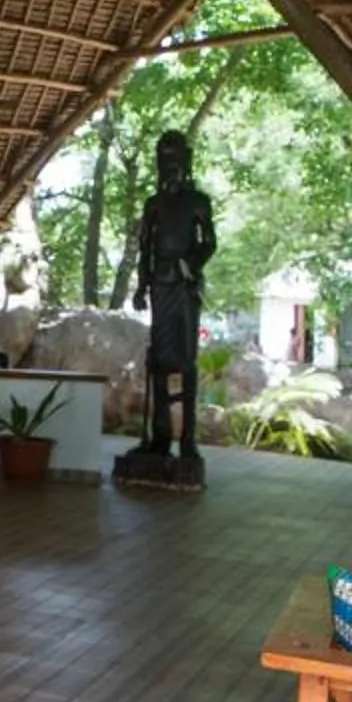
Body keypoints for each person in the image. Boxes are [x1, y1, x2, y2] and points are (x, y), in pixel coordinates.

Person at [129, 129, 216, 461]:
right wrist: (140, 286)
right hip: (160, 287)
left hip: (185, 286)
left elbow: (209, 242)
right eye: (164, 160)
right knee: (160, 362)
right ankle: (161, 435)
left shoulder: (198, 202)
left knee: (186, 360)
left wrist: (191, 264)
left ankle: (187, 438)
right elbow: (145, 249)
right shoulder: (154, 204)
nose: (170, 167)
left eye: (175, 160)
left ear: (186, 161)